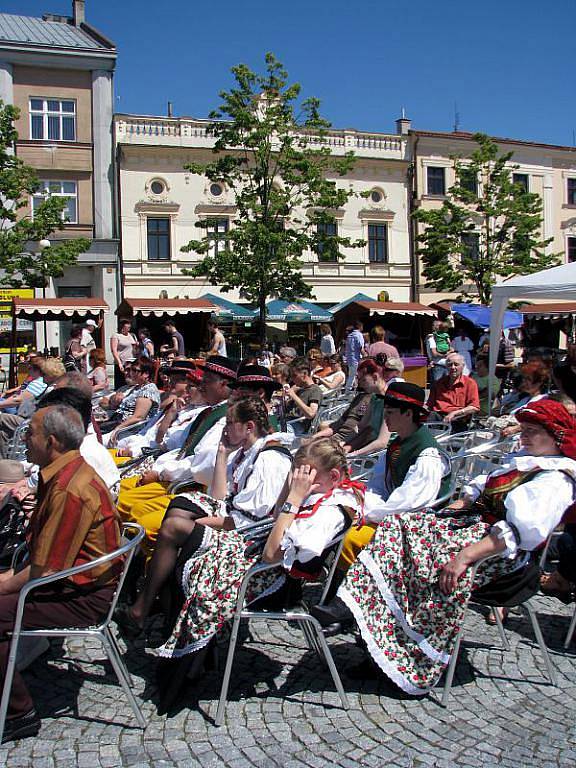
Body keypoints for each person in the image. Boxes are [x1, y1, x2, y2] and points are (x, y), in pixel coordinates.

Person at [335, 399, 576, 691]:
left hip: (499, 556)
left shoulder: (556, 480)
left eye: (531, 430)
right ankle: (365, 616)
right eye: (522, 429)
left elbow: (518, 532)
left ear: (556, 436)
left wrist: (463, 558)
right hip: (474, 529)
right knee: (397, 526)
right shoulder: (527, 461)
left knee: (420, 561)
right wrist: (459, 505)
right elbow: (480, 489)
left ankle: (405, 650)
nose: (522, 436)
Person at [152, 437, 365, 710]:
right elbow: (278, 518)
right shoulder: (321, 492)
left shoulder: (331, 512)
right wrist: (290, 491)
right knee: (193, 547)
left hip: (279, 583)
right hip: (267, 563)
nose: (300, 480)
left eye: (306, 474)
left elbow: (272, 553)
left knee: (203, 572)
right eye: (297, 472)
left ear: (333, 476)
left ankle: (187, 667)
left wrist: (295, 499)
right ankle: (191, 657)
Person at [115, 396, 293, 636]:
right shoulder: (245, 452)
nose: (225, 429)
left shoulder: (269, 459)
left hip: (250, 541)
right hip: (236, 522)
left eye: (229, 423)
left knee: (174, 527)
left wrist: (198, 523)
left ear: (248, 427)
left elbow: (248, 520)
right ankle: (159, 606)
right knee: (178, 509)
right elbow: (219, 497)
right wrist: (222, 454)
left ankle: (149, 608)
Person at [0, 405, 121, 743]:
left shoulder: (69, 486)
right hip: (73, 583)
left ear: (51, 442)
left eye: (31, 433)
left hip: (83, 597)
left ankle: (18, 712)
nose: (24, 438)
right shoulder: (64, 472)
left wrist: (6, 582)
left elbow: (46, 569)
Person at [311, 382, 450, 627]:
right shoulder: (398, 443)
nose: (385, 419)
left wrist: (370, 514)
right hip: (393, 514)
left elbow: (411, 500)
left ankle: (349, 604)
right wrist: (363, 507)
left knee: (355, 538)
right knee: (337, 521)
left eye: (390, 413)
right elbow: (378, 484)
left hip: (420, 524)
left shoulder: (427, 454)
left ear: (408, 413)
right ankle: (335, 595)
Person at [116, 356, 238, 552]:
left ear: (223, 384)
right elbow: (173, 446)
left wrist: (162, 473)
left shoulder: (226, 418)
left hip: (191, 485)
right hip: (175, 472)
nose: (200, 385)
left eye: (205, 381)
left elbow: (199, 465)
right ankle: (130, 560)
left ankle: (146, 568)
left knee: (131, 505)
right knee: (122, 495)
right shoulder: (208, 412)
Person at [345, 355, 399, 457]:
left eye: (363, 380)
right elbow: (365, 428)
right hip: (371, 450)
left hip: (387, 454)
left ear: (375, 377)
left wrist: (353, 454)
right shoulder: (374, 398)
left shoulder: (391, 401)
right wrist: (346, 447)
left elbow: (382, 442)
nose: (359, 384)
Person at [100, 356, 161, 442]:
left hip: (128, 430)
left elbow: (138, 417)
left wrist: (118, 429)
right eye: (131, 370)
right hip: (115, 423)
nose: (131, 373)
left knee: (93, 442)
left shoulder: (149, 389)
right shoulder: (135, 388)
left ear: (146, 374)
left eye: (135, 370)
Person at [427, 352, 480, 432]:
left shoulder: (470, 383)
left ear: (463, 366)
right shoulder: (438, 383)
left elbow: (474, 407)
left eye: (456, 364)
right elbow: (429, 406)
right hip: (437, 417)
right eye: (450, 365)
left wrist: (455, 413)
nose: (453, 367)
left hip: (458, 418)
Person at [286, 357, 323, 433]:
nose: (292, 379)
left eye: (294, 375)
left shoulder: (315, 390)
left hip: (298, 425)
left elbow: (311, 413)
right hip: (288, 421)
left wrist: (294, 396)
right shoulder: (299, 388)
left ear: (304, 374)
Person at [110, 319, 138, 388]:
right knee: (121, 384)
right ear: (122, 327)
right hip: (122, 363)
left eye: (129, 327)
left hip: (131, 362)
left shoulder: (132, 335)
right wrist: (119, 363)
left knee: (131, 383)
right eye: (127, 327)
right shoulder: (116, 336)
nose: (129, 328)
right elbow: (114, 350)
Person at [344, 321, 365, 391]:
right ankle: (347, 390)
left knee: (351, 375)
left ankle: (353, 390)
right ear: (360, 327)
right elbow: (361, 348)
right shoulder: (359, 335)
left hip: (349, 359)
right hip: (356, 359)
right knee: (353, 376)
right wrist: (366, 356)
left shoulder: (349, 336)